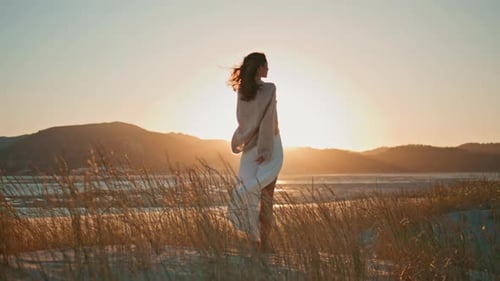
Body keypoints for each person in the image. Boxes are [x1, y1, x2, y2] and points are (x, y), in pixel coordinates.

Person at [227, 52, 283, 251]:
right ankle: (264, 245)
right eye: (266, 65)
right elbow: (268, 121)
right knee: (267, 197)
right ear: (259, 67)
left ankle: (254, 242)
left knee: (250, 194)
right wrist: (266, 149)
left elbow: (243, 122)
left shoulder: (242, 91)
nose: (268, 68)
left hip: (250, 147)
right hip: (269, 145)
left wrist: (242, 140)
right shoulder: (270, 88)